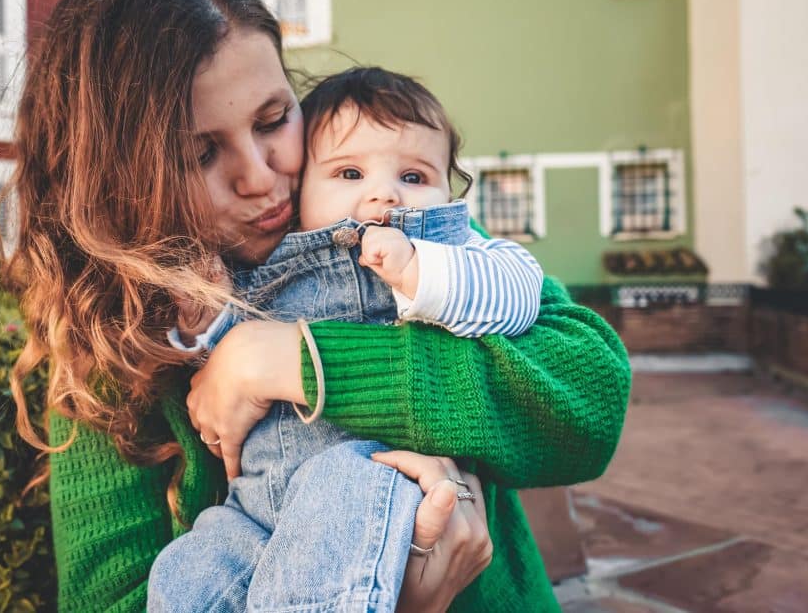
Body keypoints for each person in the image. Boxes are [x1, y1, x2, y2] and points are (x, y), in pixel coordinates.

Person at [0, 0, 631, 613]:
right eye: (201, 154)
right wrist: (406, 600)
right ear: (120, 180)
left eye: (274, 120)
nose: (260, 176)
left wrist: (296, 362)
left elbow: (591, 399)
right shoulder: (110, 349)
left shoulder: (385, 218)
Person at [148, 67, 545, 612]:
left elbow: (520, 291)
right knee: (186, 573)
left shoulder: (451, 254)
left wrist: (423, 275)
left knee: (334, 519)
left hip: (365, 486)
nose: (383, 193)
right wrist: (204, 323)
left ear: (450, 191)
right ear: (303, 188)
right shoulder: (278, 261)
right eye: (350, 173)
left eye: (414, 177)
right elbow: (230, 367)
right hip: (256, 509)